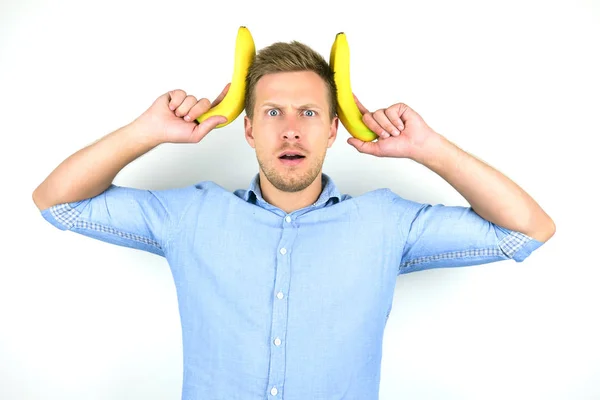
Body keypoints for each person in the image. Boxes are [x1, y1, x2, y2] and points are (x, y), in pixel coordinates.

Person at [32, 40, 555, 400]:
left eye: (307, 113)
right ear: (247, 130)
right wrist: (146, 130)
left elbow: (527, 229)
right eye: (272, 112)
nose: (289, 131)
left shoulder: (385, 224)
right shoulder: (189, 215)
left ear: (332, 130)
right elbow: (58, 203)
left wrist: (429, 148)